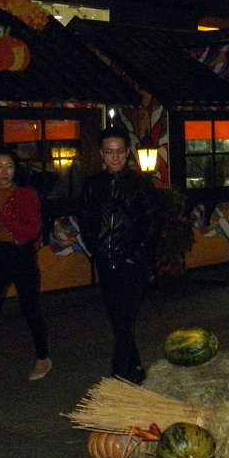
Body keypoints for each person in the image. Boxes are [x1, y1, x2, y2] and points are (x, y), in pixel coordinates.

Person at [80, 126, 162, 384]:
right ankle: (134, 369)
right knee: (118, 319)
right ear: (101, 154)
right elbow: (85, 221)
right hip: (105, 261)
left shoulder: (140, 184)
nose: (114, 157)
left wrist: (135, 255)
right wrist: (97, 250)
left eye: (119, 152)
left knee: (126, 318)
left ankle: (117, 375)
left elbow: (153, 223)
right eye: (108, 152)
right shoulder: (93, 184)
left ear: (127, 153)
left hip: (131, 263)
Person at [0, 147, 52, 380]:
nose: (4, 172)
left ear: (16, 169)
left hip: (21, 255)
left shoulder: (27, 194)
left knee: (30, 307)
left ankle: (43, 358)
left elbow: (30, 230)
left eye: (9, 166)